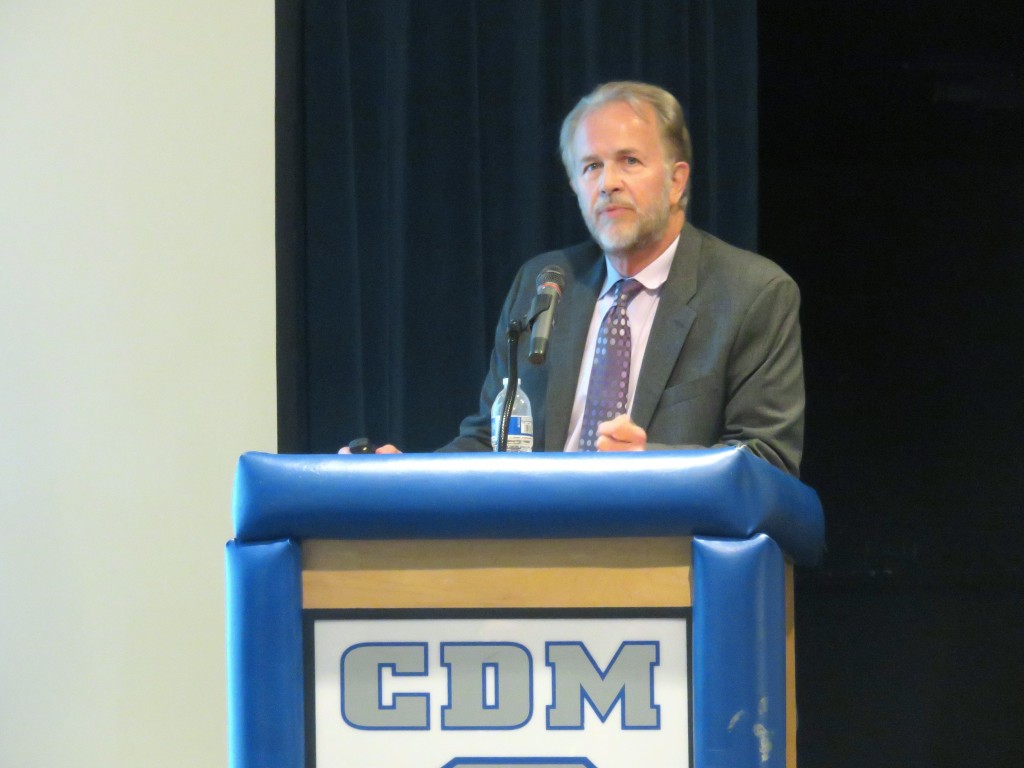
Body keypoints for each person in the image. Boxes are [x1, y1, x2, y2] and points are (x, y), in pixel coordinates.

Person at [351, 81, 804, 477]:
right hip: (537, 541)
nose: (608, 183)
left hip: (665, 546)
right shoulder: (545, 284)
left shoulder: (750, 293)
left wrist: (655, 465)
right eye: (591, 166)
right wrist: (405, 474)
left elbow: (766, 458)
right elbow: (494, 440)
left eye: (629, 161)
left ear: (676, 182)